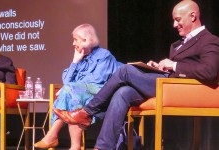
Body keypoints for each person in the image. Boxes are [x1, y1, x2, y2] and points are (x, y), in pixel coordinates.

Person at [53, 1, 219, 149]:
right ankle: (102, 147)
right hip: (166, 82)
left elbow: (210, 71)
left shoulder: (209, 40)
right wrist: (162, 68)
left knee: (125, 70)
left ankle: (87, 112)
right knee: (122, 93)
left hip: (180, 89)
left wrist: (174, 64)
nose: (174, 24)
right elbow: (181, 68)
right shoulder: (176, 44)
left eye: (178, 19)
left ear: (193, 16)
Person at [33, 24, 122, 150]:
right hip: (80, 94)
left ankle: (54, 136)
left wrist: (70, 87)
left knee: (71, 90)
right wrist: (75, 61)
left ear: (86, 40)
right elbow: (66, 80)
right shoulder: (80, 59)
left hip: (102, 93)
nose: (73, 43)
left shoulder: (103, 55)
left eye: (76, 39)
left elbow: (98, 80)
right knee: (72, 93)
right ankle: (73, 145)